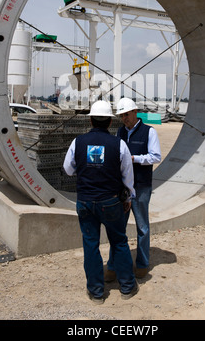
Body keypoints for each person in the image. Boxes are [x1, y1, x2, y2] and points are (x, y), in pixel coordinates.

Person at [63, 100, 139, 304]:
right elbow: (127, 176)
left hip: (86, 202)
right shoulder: (119, 144)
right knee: (119, 242)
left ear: (90, 119)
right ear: (110, 121)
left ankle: (96, 292)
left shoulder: (77, 142)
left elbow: (68, 169)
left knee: (90, 245)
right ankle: (127, 287)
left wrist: (87, 169)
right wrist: (129, 196)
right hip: (111, 202)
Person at [106, 97, 161, 280]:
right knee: (118, 226)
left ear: (135, 112)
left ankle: (143, 264)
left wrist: (134, 159)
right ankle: (113, 265)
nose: (125, 119)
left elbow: (155, 157)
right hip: (123, 188)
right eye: (122, 116)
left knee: (142, 226)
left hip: (142, 186)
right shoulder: (120, 133)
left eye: (127, 114)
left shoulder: (149, 132)